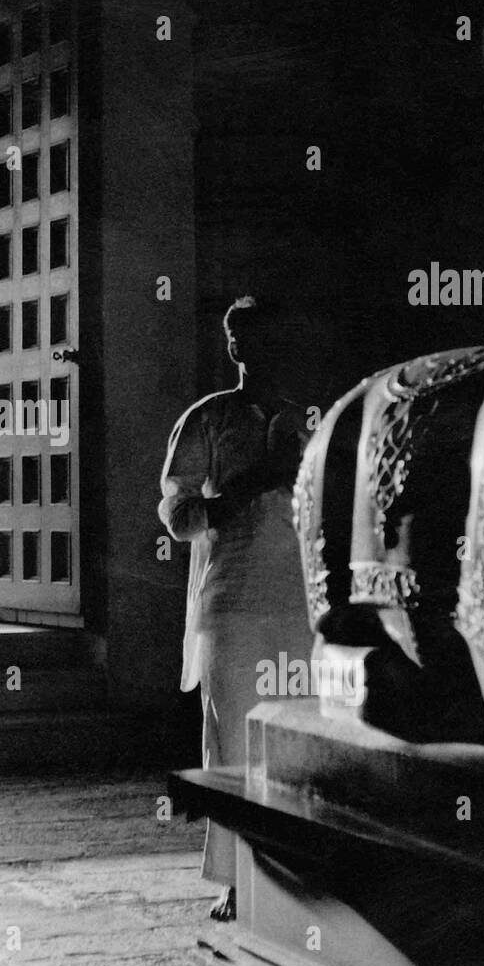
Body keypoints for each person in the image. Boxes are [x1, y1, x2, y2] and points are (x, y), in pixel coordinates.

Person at [158, 296, 312, 921]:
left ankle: (295, 870)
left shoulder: (309, 416)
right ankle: (235, 877)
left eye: (275, 338)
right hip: (234, 600)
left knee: (297, 742)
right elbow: (177, 514)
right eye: (246, 339)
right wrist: (251, 483)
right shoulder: (209, 418)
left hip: (301, 599)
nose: (262, 350)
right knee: (233, 743)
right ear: (233, 348)